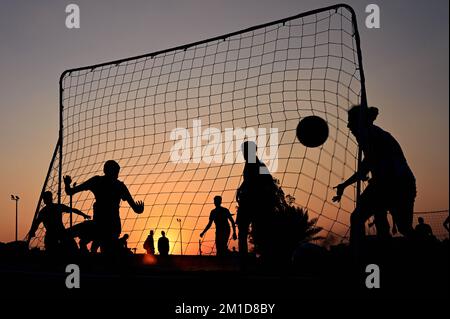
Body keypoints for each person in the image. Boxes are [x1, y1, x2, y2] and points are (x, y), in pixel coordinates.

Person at [333, 105, 416, 248]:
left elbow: (366, 166)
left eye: (350, 121)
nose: (348, 126)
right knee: (387, 223)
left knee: (362, 218)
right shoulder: (374, 134)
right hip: (393, 183)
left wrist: (346, 184)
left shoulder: (370, 134)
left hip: (397, 184)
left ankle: (359, 257)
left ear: (359, 122)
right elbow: (367, 166)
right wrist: (345, 184)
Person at [64, 160, 144, 253]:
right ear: (109, 171)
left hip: (101, 226)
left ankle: (81, 256)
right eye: (116, 172)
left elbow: (69, 192)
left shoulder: (98, 181)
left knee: (68, 235)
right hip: (111, 228)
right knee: (101, 249)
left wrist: (67, 184)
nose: (117, 175)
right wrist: (140, 209)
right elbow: (136, 209)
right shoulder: (118, 185)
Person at [236, 141, 276, 258]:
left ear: (252, 151)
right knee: (244, 231)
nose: (244, 153)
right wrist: (241, 188)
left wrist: (265, 197)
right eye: (243, 151)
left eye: (246, 151)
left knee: (254, 231)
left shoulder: (259, 165)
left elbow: (268, 180)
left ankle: (263, 257)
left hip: (254, 203)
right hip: (247, 202)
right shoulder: (250, 164)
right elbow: (250, 179)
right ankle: (246, 258)